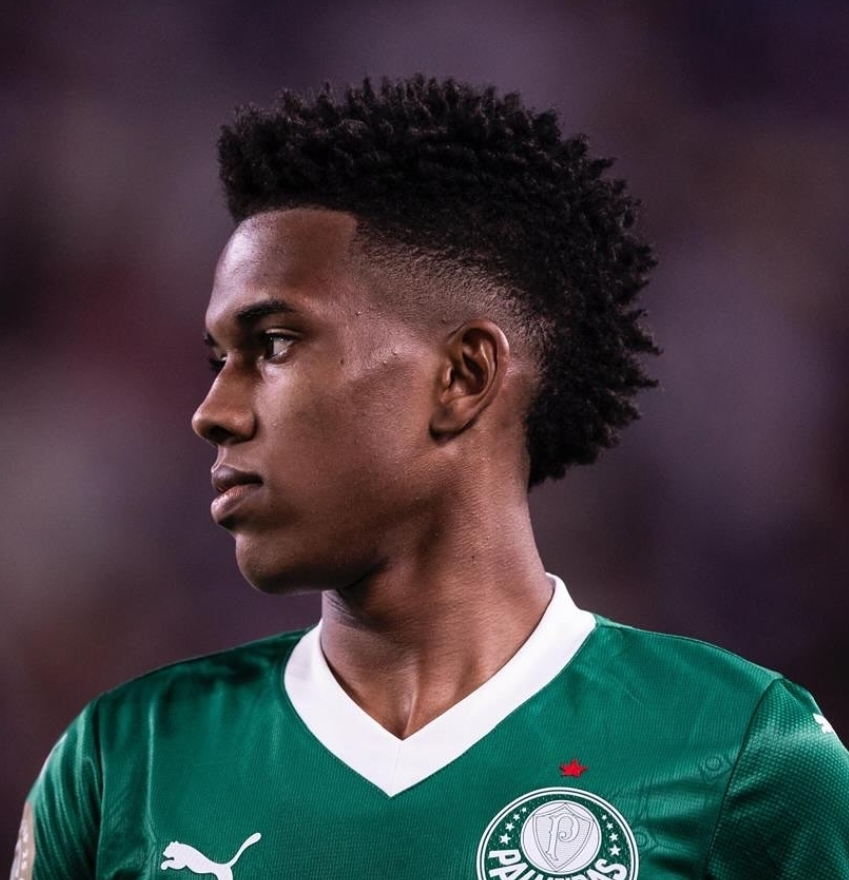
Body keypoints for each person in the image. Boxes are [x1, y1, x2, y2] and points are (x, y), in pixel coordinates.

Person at [11, 75, 848, 880]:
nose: (212, 412)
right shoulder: (123, 757)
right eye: (217, 360)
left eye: (273, 345)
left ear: (461, 376)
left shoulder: (743, 752)